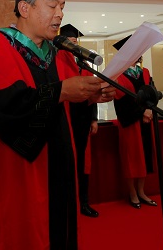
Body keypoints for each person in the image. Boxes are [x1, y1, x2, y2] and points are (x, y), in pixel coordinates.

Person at [0, 0, 115, 250]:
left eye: (62, 6)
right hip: (20, 170)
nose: (60, 13)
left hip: (60, 164)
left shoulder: (59, 54)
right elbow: (3, 106)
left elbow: (66, 106)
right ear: (25, 8)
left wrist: (91, 95)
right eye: (52, 5)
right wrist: (61, 91)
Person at [57, 23, 100, 218]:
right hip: (66, 118)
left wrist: (94, 119)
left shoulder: (84, 63)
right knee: (67, 161)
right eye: (70, 41)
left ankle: (83, 201)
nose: (73, 44)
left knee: (82, 161)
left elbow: (93, 91)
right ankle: (68, 203)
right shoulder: (58, 59)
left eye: (75, 41)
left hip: (83, 118)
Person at [112, 35, 158, 209]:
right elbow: (122, 103)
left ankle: (141, 191)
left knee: (145, 156)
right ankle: (132, 193)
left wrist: (150, 109)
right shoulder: (118, 75)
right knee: (132, 158)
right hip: (130, 123)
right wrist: (142, 112)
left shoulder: (144, 72)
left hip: (146, 121)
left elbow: (152, 94)